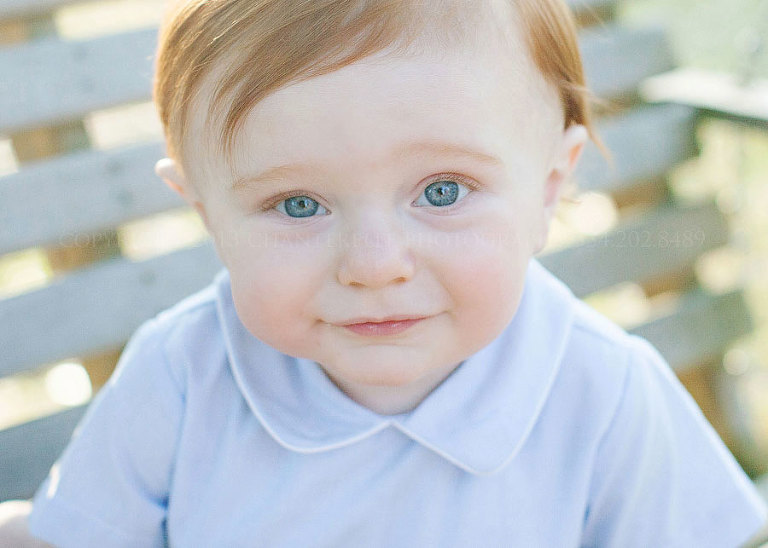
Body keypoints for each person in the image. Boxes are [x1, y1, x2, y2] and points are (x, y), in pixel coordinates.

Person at [1, 0, 766, 545]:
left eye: (441, 192)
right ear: (205, 212)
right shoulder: (183, 376)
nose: (373, 266)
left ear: (549, 189)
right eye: (297, 204)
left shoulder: (603, 394)